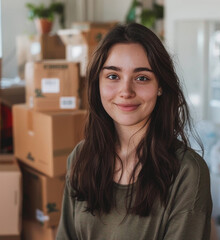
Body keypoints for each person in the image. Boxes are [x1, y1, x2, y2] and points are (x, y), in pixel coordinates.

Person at [56, 23, 212, 240]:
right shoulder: (81, 157)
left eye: (142, 78)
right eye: (113, 76)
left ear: (160, 86)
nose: (126, 91)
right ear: (97, 84)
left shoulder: (187, 173)